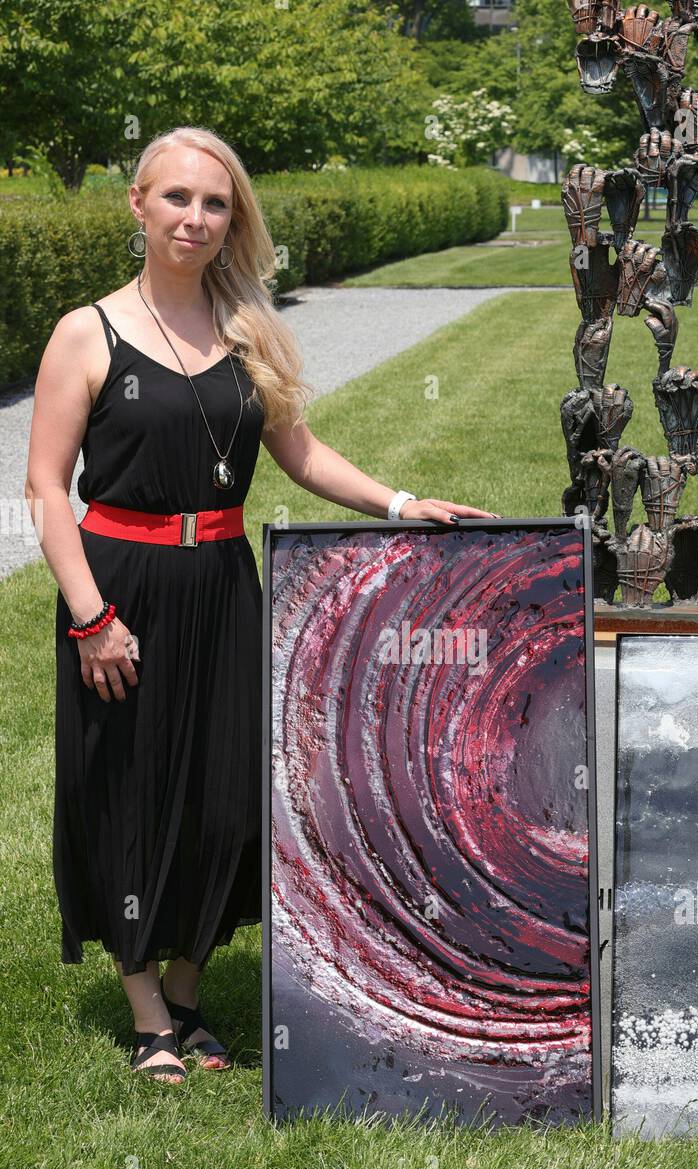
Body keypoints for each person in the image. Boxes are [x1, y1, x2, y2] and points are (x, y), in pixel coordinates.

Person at [24, 125, 499, 1085]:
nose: (195, 218)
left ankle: (191, 992)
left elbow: (303, 456)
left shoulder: (247, 330)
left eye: (214, 203)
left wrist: (405, 504)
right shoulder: (88, 331)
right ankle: (149, 1011)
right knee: (130, 792)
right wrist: (89, 616)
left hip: (224, 584)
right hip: (123, 590)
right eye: (177, 199)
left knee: (229, 799)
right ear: (138, 205)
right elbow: (45, 488)